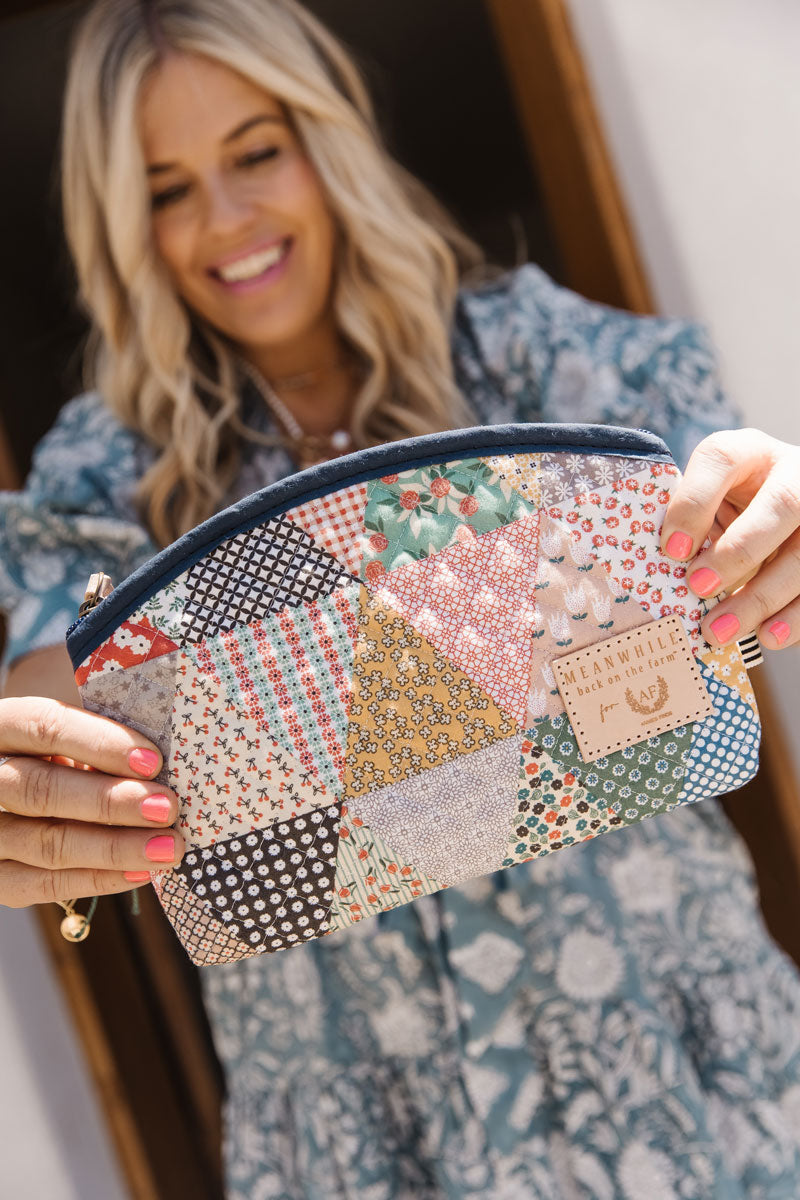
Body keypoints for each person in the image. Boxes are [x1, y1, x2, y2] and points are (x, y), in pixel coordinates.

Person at [1, 0, 800, 1195]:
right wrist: (35, 765)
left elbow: (703, 470)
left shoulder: (522, 354)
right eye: (165, 189)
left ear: (323, 138)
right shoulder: (107, 469)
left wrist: (762, 504)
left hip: (671, 1056)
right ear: (122, 223)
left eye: (255, 151)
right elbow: (44, 666)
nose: (224, 219)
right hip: (365, 1135)